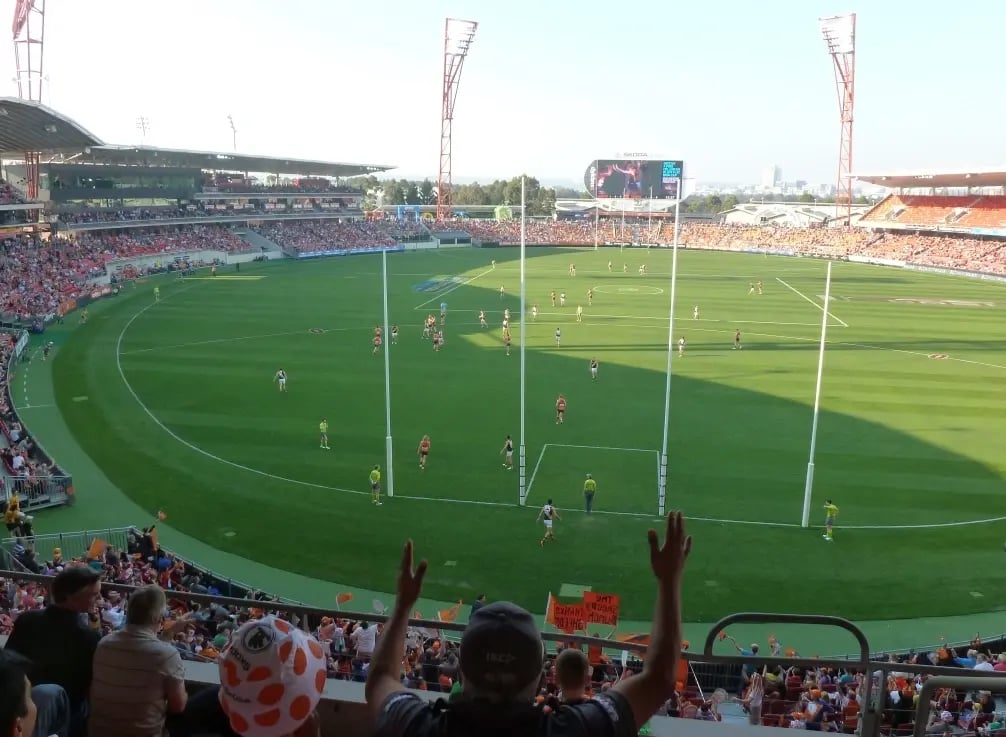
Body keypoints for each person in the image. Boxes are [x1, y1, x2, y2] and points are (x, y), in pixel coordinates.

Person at [365, 512, 691, 736]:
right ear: (540, 678)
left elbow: (379, 679)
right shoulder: (578, 729)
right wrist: (669, 581)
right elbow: (661, 679)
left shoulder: (418, 728)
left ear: (461, 673)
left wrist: (403, 604)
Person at [5, 566, 102, 735]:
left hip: (21, 705)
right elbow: (88, 688)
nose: (98, 599)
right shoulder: (88, 637)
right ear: (71, 598)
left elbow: (9, 664)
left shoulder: (27, 620)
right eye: (93, 595)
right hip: (64, 715)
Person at [88, 585, 188, 737]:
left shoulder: (104, 643)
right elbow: (178, 706)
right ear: (157, 619)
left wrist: (169, 633)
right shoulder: (168, 655)